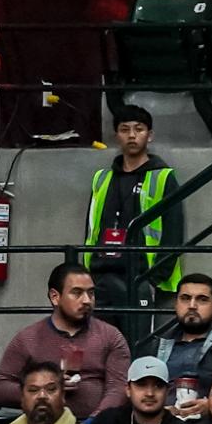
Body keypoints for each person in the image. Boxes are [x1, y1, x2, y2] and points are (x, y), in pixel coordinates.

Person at [80, 103, 184, 335]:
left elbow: (174, 231)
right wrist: (88, 274)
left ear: (150, 135)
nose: (132, 135)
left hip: (140, 277)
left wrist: (154, 279)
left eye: (139, 129)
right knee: (99, 346)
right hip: (101, 275)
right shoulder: (102, 178)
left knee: (136, 347)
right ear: (116, 135)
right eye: (125, 129)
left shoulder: (162, 176)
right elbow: (90, 228)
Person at [0, 264, 131, 420]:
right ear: (55, 297)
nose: (87, 300)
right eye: (77, 293)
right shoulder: (28, 338)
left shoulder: (111, 336)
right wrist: (44, 388)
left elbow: (118, 389)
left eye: (91, 293)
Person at [128, 273, 212, 414]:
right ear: (176, 304)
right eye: (185, 298)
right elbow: (137, 391)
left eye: (202, 300)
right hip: (163, 423)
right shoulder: (155, 345)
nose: (192, 306)